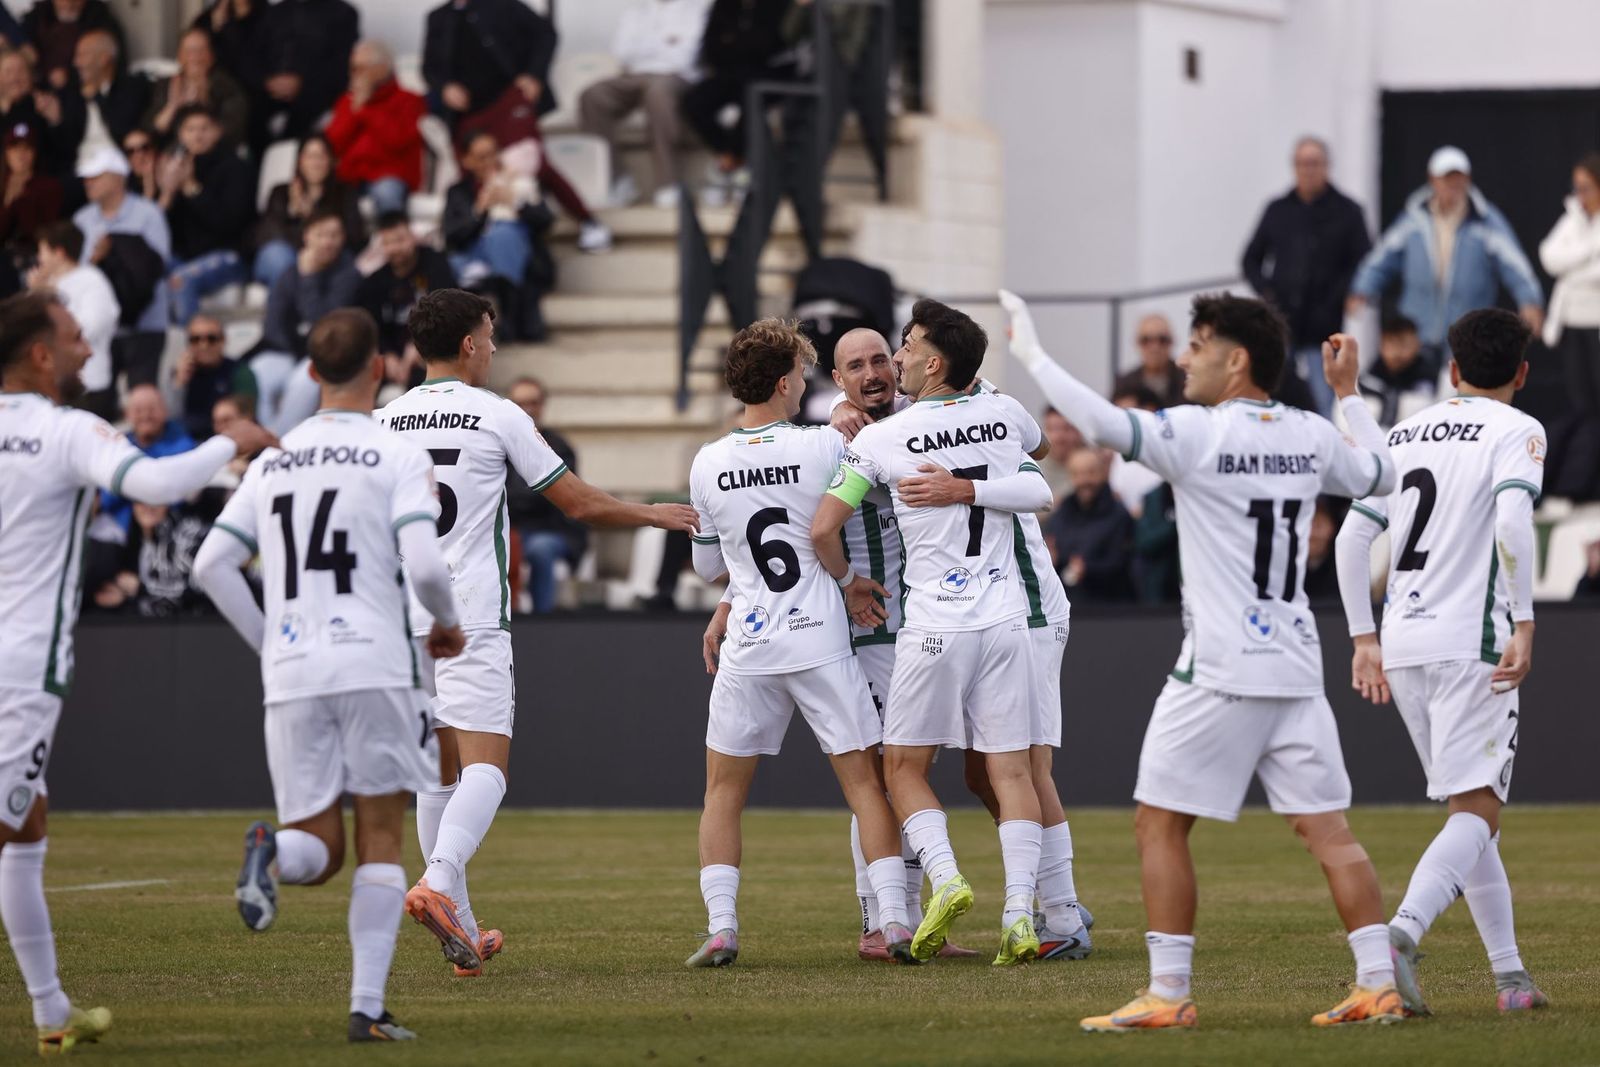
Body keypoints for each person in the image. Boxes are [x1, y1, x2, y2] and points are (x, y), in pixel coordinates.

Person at [1001, 288, 1405, 1030]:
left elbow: (1098, 424)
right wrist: (1349, 397)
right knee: (1330, 831)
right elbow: (1381, 474)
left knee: (1158, 823)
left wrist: (1031, 351)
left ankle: (1168, 992)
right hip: (1292, 666)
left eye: (1198, 344)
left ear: (1236, 358)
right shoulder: (1311, 433)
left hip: (1219, 670)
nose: (1184, 357)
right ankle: (1378, 982)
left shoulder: (1198, 432)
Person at [374, 288, 698, 977]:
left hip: (400, 618)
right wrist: (654, 514)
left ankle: (456, 924)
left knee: (440, 772)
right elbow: (576, 502)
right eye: (489, 337)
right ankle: (438, 881)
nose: (492, 349)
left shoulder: (386, 420)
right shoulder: (496, 414)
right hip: (469, 615)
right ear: (468, 344)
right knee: (486, 765)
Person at [0, 290, 267, 1055]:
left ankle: (52, 1010)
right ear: (43, 355)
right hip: (22, 670)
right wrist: (230, 443)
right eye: (77, 338)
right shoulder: (69, 429)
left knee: (29, 822)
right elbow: (157, 484)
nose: (91, 349)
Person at [193, 307, 462, 1043]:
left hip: (292, 667)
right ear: (380, 367)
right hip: (375, 658)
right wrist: (444, 621)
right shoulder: (394, 450)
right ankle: (367, 1009)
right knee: (378, 835)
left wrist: (266, 644)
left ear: (309, 372)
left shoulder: (273, 458)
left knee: (317, 843)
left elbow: (210, 564)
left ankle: (269, 850)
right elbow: (429, 562)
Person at [820, 329, 1092, 962]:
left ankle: (1057, 912)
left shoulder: (940, 422)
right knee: (989, 770)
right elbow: (1038, 457)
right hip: (988, 615)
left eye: (894, 354)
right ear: (839, 380)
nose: (883, 368)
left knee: (1010, 765)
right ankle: (992, 913)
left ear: (926, 363)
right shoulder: (979, 416)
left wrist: (960, 486)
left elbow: (1039, 463)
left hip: (1022, 607)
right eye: (858, 365)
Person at [1334, 307, 1550, 1018]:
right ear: (1521, 372)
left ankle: (1512, 977)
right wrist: (1524, 619)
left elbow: (1350, 539)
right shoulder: (1518, 430)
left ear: (1453, 370)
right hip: (1473, 640)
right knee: (1480, 810)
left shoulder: (1405, 430)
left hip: (1405, 643)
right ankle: (1401, 933)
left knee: (1470, 808)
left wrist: (1364, 638)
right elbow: (1515, 521)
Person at [685, 318, 912, 966]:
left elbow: (707, 568)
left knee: (723, 792)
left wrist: (736, 591)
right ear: (785, 382)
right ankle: (894, 920)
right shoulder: (822, 447)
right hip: (818, 637)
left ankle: (723, 926)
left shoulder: (706, 461)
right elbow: (847, 511)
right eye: (805, 374)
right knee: (866, 786)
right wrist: (845, 577)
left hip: (749, 643)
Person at [1349, 146, 1544, 369]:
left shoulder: (1486, 222)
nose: (1453, 185)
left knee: (1462, 396)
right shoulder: (1413, 221)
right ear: (1432, 180)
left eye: (1458, 178)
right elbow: (1381, 259)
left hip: (1469, 333)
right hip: (1417, 331)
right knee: (1417, 399)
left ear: (1468, 179)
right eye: (1447, 178)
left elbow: (1514, 264)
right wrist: (1362, 288)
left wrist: (1530, 300)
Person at [1242, 136, 1373, 416]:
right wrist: (1267, 294)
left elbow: (1364, 260)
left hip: (1324, 326)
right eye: (1303, 163)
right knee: (1275, 397)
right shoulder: (1278, 209)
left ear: (1326, 166)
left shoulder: (1348, 211)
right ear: (1294, 167)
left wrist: (1345, 294)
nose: (1308, 170)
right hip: (1282, 324)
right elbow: (1250, 259)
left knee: (1320, 402)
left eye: (1314, 163)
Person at [579, 0, 711, 209]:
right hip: (635, 75)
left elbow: (685, 56)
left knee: (657, 93)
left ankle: (669, 183)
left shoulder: (695, 11)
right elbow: (622, 53)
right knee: (592, 95)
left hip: (676, 76)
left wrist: (646, 46)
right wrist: (667, 42)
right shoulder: (636, 13)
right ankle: (617, 180)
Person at [254, 208, 360, 434]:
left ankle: (282, 442)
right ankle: (265, 438)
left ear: (343, 238)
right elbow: (273, 320)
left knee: (305, 380)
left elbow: (326, 322)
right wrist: (294, 348)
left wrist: (309, 278)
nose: (327, 242)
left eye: (334, 235)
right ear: (307, 236)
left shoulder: (348, 275)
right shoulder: (290, 272)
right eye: (321, 235)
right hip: (289, 350)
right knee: (259, 372)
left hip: (325, 354)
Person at [679, 0, 795, 205]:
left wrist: (734, 43)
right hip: (732, 73)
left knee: (751, 98)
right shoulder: (725, 5)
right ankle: (734, 159)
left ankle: (728, 166)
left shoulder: (779, 4)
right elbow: (711, 48)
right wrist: (741, 45)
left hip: (772, 74)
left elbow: (771, 44)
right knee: (694, 102)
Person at [71, 146, 169, 387]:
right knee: (101, 401)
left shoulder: (148, 214)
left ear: (119, 177)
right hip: (101, 329)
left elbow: (156, 267)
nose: (88, 183)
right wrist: (97, 258)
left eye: (96, 177)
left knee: (142, 396)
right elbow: (78, 273)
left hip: (146, 324)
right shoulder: (82, 219)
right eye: (86, 178)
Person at [1537, 151, 1600, 502]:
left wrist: (1574, 268)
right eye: (1577, 188)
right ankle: (1578, 484)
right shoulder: (1573, 218)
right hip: (1571, 328)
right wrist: (1587, 253)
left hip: (1597, 327)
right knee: (1582, 408)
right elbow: (1549, 257)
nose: (1581, 196)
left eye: (1587, 188)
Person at [160, 104, 254, 325]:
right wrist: (168, 194)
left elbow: (229, 224)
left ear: (218, 131)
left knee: (181, 279)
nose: (198, 135)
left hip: (229, 256)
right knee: (146, 269)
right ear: (181, 135)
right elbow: (161, 232)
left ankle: (192, 349)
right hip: (185, 257)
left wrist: (193, 190)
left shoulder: (236, 168)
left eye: (204, 128)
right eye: (190, 129)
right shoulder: (175, 169)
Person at [503, 376, 587, 614]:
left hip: (552, 530)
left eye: (532, 402)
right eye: (520, 404)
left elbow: (550, 497)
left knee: (540, 549)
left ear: (542, 405)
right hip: (510, 530)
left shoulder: (559, 447)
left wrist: (515, 500)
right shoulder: (501, 445)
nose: (527, 410)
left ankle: (542, 622)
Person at [355, 211, 457, 391]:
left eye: (400, 240)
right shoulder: (374, 282)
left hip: (431, 348)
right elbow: (372, 325)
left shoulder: (435, 264)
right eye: (388, 243)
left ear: (412, 237)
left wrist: (419, 345)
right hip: (391, 356)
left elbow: (448, 307)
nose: (395, 248)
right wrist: (387, 355)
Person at [324, 40, 425, 218]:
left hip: (389, 175)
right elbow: (332, 145)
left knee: (387, 193)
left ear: (383, 68)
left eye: (361, 68)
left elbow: (397, 140)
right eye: (353, 68)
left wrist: (366, 110)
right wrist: (355, 109)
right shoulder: (347, 102)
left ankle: (394, 243)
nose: (354, 74)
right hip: (350, 176)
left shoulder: (409, 100)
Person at [422, 0, 559, 131]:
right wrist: (445, 87)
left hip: (512, 100)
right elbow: (429, 68)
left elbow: (545, 34)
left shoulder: (504, 4)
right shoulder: (438, 17)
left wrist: (533, 75)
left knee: (521, 150)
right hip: (467, 113)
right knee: (476, 149)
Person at [252, 134, 365, 290]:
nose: (315, 163)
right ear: (300, 161)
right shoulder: (280, 192)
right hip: (285, 259)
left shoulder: (344, 194)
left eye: (321, 156)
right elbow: (267, 234)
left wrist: (310, 215)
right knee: (278, 255)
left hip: (328, 260)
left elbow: (354, 237)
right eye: (310, 156)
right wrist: (294, 212)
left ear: (331, 161)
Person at [27, 220, 116, 417]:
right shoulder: (44, 286)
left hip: (89, 385)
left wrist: (46, 297)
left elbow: (92, 326)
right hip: (51, 387)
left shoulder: (91, 280)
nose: (38, 258)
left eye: (42, 251)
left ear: (59, 253)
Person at [253, 0, 359, 151]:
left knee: (298, 121)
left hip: (317, 91)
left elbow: (339, 66)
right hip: (272, 89)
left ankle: (293, 168)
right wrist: (268, 81)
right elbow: (254, 55)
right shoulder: (275, 12)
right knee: (253, 114)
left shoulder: (343, 13)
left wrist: (301, 83)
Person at [38, 28, 147, 166]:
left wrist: (96, 98)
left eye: (82, 55)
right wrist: (56, 121)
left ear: (103, 59)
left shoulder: (131, 86)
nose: (76, 63)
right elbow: (67, 149)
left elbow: (121, 128)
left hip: (118, 165)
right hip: (81, 169)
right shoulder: (73, 92)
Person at [1047, 446, 1135, 602]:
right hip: (1068, 604)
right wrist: (1051, 560)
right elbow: (1054, 552)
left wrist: (1089, 568)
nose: (1084, 480)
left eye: (1090, 473)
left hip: (1111, 606)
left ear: (1103, 473)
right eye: (1077, 474)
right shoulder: (1062, 514)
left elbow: (1123, 562)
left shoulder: (1118, 514)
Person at [142, 25, 250, 151]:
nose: (195, 57)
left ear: (211, 56)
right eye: (189, 51)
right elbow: (151, 130)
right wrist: (173, 106)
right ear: (180, 57)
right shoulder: (166, 84)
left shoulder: (226, 85)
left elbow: (232, 129)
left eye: (201, 50)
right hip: (172, 153)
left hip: (215, 153)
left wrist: (205, 101)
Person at [172, 313, 256, 440]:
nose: (203, 345)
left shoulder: (239, 372)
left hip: (228, 441)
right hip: (185, 443)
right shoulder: (180, 372)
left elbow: (245, 417)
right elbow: (167, 420)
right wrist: (179, 384)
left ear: (223, 340)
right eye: (196, 339)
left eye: (211, 339)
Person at [19, 0, 125, 93]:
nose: (68, 4)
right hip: (39, 91)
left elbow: (113, 61)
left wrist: (70, 77)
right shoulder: (37, 17)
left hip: (81, 93)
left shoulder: (100, 18)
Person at [1359, 315, 1436, 430]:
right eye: (1391, 344)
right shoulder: (1366, 381)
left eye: (1404, 345)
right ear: (1381, 345)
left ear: (1417, 345)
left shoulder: (1432, 379)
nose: (1397, 352)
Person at [0, 121, 63, 257]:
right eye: (15, 148)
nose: (21, 154)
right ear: (6, 153)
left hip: (34, 256)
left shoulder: (48, 186)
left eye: (27, 148)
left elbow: (44, 235)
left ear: (35, 153)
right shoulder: (3, 184)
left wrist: (22, 198)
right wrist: (8, 202)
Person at [1111, 314, 1186, 409]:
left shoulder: (1187, 380)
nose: (1154, 347)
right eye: (1146, 340)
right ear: (1137, 343)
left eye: (1162, 340)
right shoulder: (1124, 383)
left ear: (1172, 342)